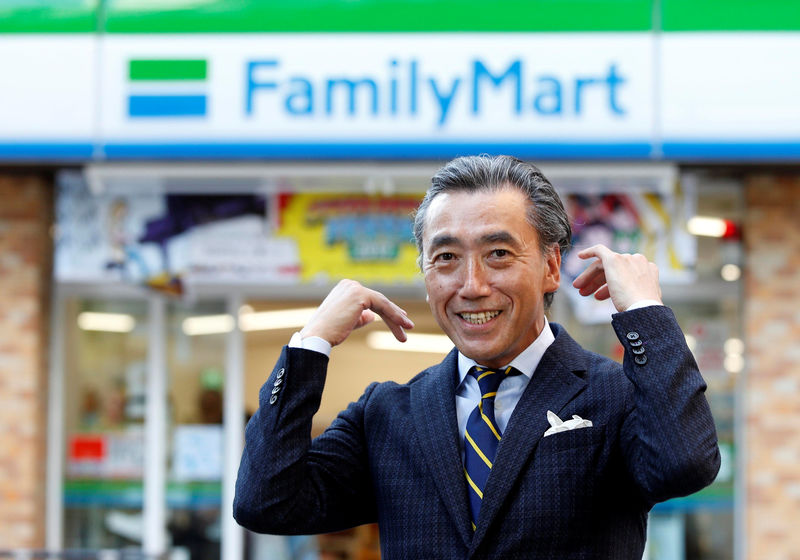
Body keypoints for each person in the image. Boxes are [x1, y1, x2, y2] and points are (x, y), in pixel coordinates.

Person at [234, 155, 720, 559]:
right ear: (425, 273)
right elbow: (266, 502)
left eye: (499, 254)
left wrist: (644, 311)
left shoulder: (613, 394)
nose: (472, 285)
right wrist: (311, 343)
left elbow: (684, 464)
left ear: (551, 266)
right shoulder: (387, 414)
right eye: (446, 257)